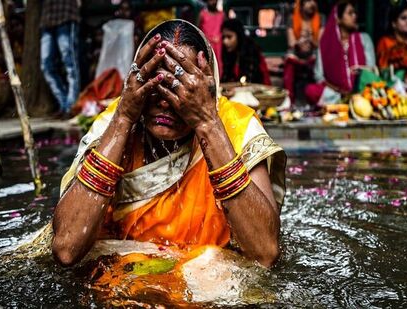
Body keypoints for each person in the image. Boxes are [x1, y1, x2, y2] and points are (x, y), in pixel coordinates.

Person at [52, 20, 286, 268]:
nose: (165, 102)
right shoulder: (115, 123)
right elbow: (67, 249)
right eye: (155, 83)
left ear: (206, 84)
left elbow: (265, 253)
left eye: (180, 86)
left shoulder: (235, 125)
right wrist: (123, 118)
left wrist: (207, 123)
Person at [304, 0, 375, 106]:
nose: (354, 16)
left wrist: (360, 69)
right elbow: (319, 76)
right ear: (338, 19)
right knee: (311, 90)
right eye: (350, 13)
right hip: (336, 94)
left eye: (355, 13)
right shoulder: (325, 44)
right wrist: (338, 90)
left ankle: (354, 101)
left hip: (362, 91)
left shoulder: (364, 38)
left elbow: (372, 68)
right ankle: (345, 102)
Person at [40, 0, 81, 118]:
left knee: (70, 63)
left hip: (66, 14)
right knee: (46, 65)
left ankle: (71, 107)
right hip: (47, 19)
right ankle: (64, 104)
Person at [283, 0, 322, 106]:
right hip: (296, 54)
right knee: (289, 63)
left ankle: (317, 102)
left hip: (313, 55)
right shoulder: (292, 18)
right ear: (301, 4)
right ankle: (289, 101)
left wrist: (310, 39)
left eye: (314, 1)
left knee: (319, 62)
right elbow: (291, 43)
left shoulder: (321, 18)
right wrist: (301, 41)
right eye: (308, 1)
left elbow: (320, 43)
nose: (312, 4)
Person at [221, 19, 271, 85]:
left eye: (229, 37)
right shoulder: (229, 53)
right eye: (223, 37)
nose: (225, 41)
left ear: (239, 36)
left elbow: (250, 81)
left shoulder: (251, 51)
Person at [198, 0, 225, 74]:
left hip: (219, 46)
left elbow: (225, 29)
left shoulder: (222, 15)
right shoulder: (203, 14)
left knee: (219, 64)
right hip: (207, 45)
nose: (213, 2)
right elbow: (198, 29)